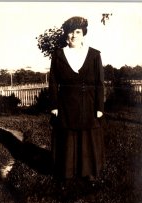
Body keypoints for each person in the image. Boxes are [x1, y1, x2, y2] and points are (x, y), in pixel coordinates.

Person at [49, 16, 105, 185]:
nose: (74, 36)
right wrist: (54, 105)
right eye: (70, 32)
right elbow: (53, 82)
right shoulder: (58, 55)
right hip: (66, 104)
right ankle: (66, 173)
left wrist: (99, 107)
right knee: (68, 137)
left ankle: (89, 173)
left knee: (88, 137)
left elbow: (99, 83)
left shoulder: (94, 55)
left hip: (88, 103)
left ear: (83, 34)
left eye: (78, 32)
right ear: (66, 34)